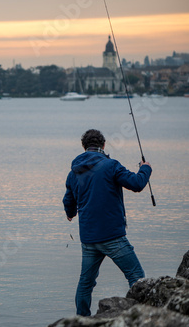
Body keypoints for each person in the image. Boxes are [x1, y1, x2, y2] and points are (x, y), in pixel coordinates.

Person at [62, 129, 152, 316]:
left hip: (88, 239)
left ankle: (82, 319)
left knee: (86, 283)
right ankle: (140, 317)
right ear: (103, 145)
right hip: (112, 236)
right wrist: (145, 168)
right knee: (136, 277)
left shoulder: (74, 172)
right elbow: (136, 183)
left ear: (84, 147)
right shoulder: (110, 165)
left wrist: (70, 213)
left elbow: (68, 201)